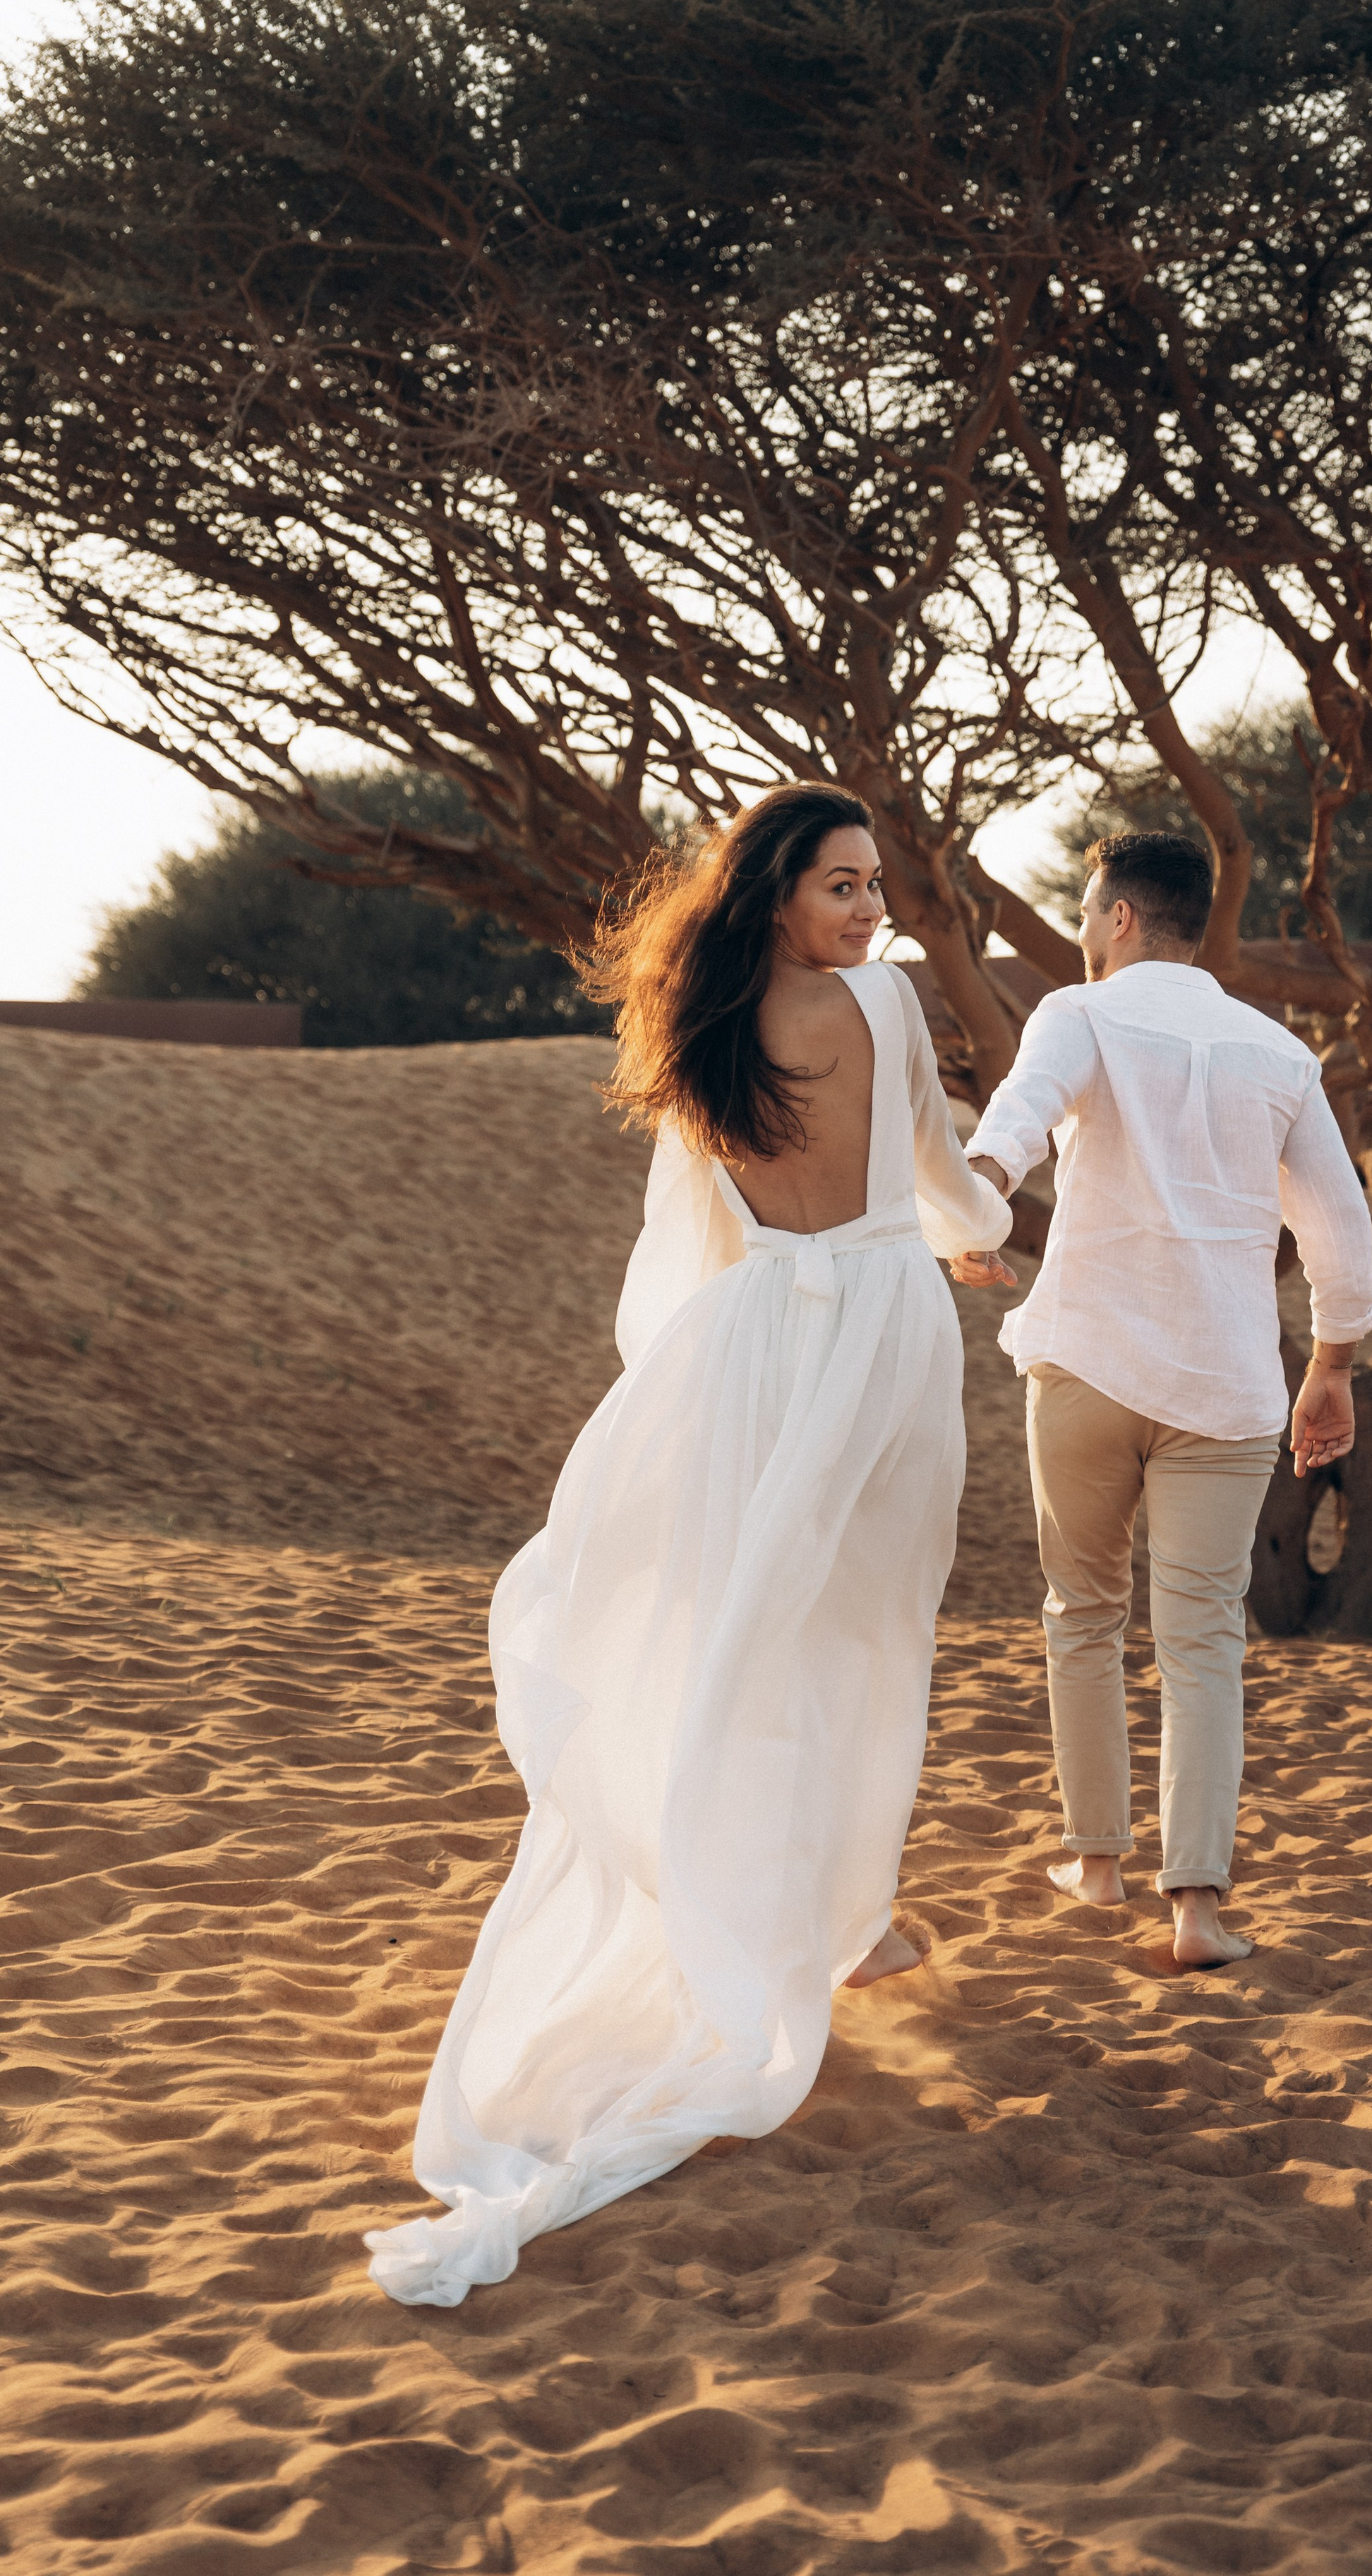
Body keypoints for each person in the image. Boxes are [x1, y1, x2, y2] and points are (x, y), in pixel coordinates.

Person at [366, 787, 1013, 2307]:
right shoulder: (884, 1007)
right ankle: (834, 1925)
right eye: (844, 885)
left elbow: (685, 1250)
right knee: (858, 1636)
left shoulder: (693, 1023)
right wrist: (981, 1230)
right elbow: (935, 1172)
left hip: (744, 1345)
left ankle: (803, 1912)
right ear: (778, 890)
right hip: (877, 1333)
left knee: (749, 1632)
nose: (872, 911)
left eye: (874, 887)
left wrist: (689, 1380)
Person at [953, 832, 1372, 1969]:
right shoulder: (1279, 1053)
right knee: (1202, 1644)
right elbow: (1338, 1222)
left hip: (1086, 1364)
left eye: (1088, 917)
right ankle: (1196, 1909)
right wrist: (1333, 1363)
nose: (1085, 937)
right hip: (1226, 1388)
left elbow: (1017, 1121)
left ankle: (1096, 1864)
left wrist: (974, 1210)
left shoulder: (1080, 1015)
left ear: (1122, 917)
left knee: (1083, 1613)